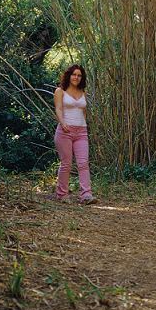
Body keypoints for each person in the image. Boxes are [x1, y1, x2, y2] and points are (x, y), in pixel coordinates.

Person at [53, 64, 97, 205]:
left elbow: (83, 112)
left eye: (79, 75)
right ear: (69, 75)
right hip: (65, 131)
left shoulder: (83, 92)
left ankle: (86, 195)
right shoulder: (60, 91)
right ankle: (62, 194)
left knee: (83, 163)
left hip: (81, 131)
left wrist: (84, 125)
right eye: (74, 74)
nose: (76, 77)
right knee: (66, 164)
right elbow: (58, 109)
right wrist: (63, 122)